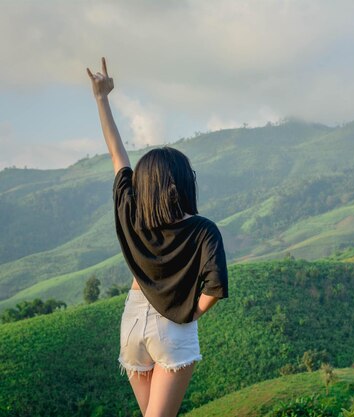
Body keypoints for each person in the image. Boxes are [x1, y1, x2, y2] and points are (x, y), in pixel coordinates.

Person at [87, 57, 228, 417]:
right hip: (173, 325)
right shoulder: (203, 229)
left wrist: (102, 99)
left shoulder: (131, 213)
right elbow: (213, 289)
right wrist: (189, 315)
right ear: (183, 182)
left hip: (132, 320)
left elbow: (118, 156)